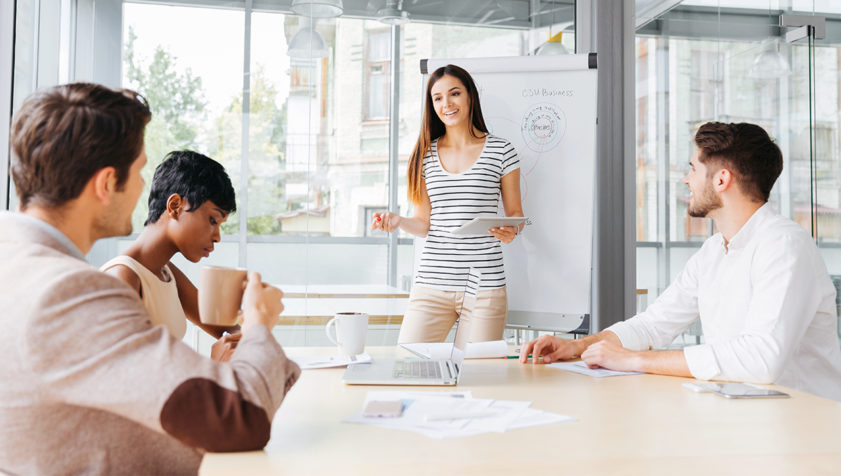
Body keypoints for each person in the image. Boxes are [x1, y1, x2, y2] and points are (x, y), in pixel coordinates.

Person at [0, 82, 301, 475]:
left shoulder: (18, 263)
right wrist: (260, 324)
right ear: (107, 183)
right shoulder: (70, 291)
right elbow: (239, 420)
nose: (144, 186)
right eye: (139, 169)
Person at [520, 121, 841, 401]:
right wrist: (576, 347)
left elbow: (760, 359)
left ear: (721, 180)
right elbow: (653, 324)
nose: (686, 180)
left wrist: (634, 361)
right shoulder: (714, 250)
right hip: (743, 418)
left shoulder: (783, 245)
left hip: (802, 423)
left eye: (693, 168)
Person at [373, 64, 524, 344]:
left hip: (484, 288)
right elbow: (424, 224)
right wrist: (399, 221)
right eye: (438, 98)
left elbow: (516, 214)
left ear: (470, 97)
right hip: (431, 285)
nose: (447, 104)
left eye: (454, 93)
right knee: (410, 365)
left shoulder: (502, 150)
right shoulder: (424, 155)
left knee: (477, 375)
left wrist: (512, 229)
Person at [101, 150, 241, 361]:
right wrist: (215, 369)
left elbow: (228, 328)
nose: (217, 237)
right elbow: (128, 385)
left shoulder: (165, 271)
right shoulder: (122, 278)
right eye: (213, 220)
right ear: (175, 206)